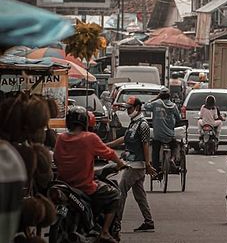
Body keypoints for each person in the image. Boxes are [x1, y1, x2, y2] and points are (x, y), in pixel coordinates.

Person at [54, 106, 126, 243]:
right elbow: (109, 153)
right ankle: (104, 232)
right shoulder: (90, 138)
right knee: (115, 194)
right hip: (85, 186)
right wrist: (120, 163)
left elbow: (56, 159)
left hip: (63, 185)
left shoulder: (61, 138)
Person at [108, 96, 155, 237]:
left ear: (138, 108)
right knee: (140, 195)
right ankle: (149, 221)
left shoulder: (143, 125)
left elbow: (146, 144)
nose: (128, 111)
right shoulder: (134, 123)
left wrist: (147, 164)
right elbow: (125, 138)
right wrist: (107, 146)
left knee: (121, 192)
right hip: (132, 163)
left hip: (136, 166)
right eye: (127, 108)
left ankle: (116, 222)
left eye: (130, 108)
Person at [144, 87, 182, 177]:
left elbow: (146, 106)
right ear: (169, 96)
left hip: (158, 135)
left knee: (155, 150)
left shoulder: (156, 104)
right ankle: (172, 158)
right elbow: (178, 118)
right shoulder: (173, 106)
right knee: (175, 145)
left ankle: (156, 170)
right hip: (169, 135)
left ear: (160, 96)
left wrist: (155, 98)